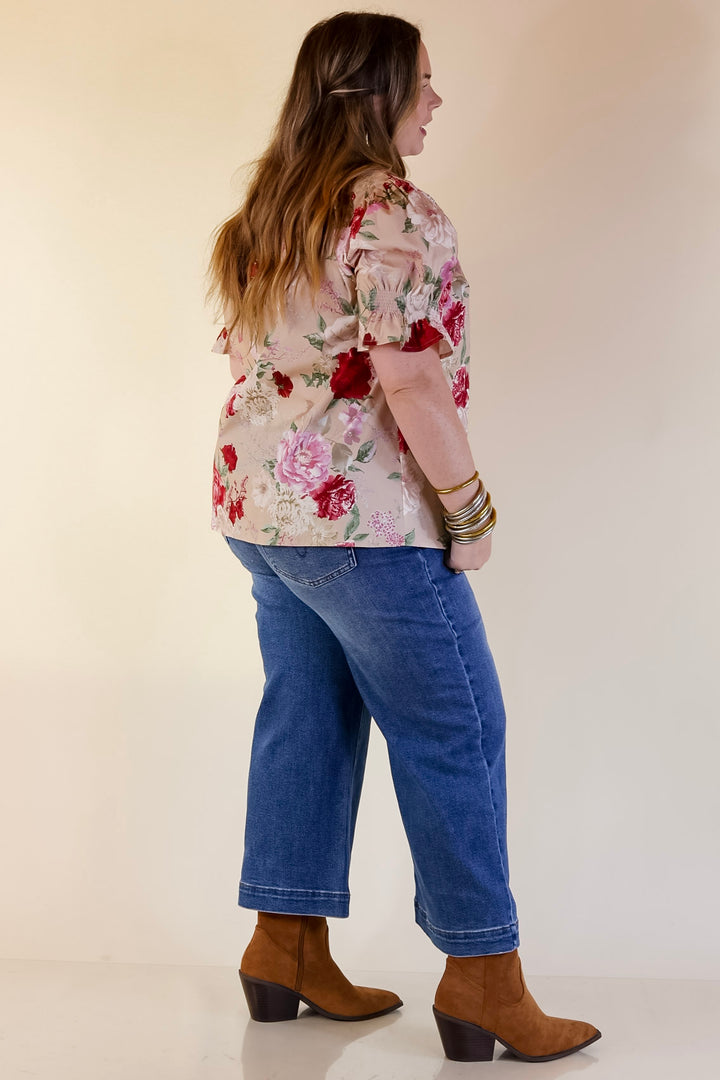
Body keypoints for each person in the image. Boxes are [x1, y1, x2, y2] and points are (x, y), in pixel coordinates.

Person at [204, 10, 601, 1064]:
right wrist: (467, 508)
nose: (437, 99)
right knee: (457, 729)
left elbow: (254, 361)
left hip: (263, 517)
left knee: (309, 718)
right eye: (423, 82)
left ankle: (284, 944)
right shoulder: (389, 211)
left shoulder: (271, 209)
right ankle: (483, 979)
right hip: (366, 531)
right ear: (375, 94)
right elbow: (411, 376)